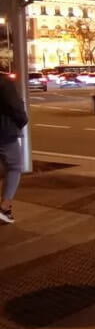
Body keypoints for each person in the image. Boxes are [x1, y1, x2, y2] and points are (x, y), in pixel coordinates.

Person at [0, 72, 28, 224]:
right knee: (14, 167)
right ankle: (4, 208)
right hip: (4, 131)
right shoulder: (4, 82)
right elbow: (15, 107)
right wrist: (22, 121)